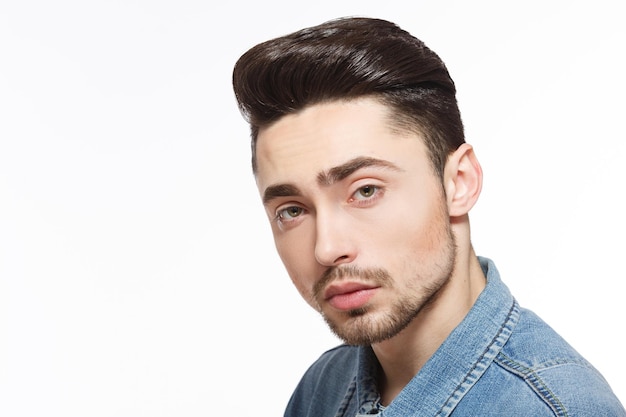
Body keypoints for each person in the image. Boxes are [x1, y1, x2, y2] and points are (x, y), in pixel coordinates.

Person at [231, 17, 625, 416]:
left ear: (459, 182)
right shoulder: (324, 387)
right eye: (292, 211)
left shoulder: (556, 408)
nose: (328, 248)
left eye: (365, 191)